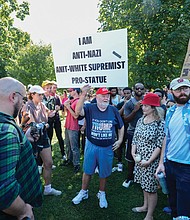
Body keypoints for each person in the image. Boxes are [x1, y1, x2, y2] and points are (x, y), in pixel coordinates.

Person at [72, 86, 124, 208]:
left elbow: (121, 126)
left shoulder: (113, 110)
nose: (106, 98)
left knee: (104, 172)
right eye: (103, 95)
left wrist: (120, 140)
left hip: (107, 147)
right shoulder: (90, 107)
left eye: (108, 95)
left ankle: (102, 193)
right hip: (92, 145)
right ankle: (83, 192)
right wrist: (83, 94)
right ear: (97, 96)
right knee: (88, 170)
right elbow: (78, 112)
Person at [0, 77, 42, 219]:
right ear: (13, 96)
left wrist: (24, 139)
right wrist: (23, 211)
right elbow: (4, 192)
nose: (24, 104)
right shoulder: (7, 131)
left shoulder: (7, 127)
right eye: (23, 99)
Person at [155, 77, 190, 219]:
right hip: (170, 163)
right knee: (173, 200)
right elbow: (166, 138)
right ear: (171, 92)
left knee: (185, 206)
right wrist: (162, 162)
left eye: (185, 88)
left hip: (186, 166)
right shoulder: (170, 112)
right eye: (178, 89)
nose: (183, 92)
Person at [22, 85, 62, 196]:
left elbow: (48, 114)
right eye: (39, 94)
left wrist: (51, 114)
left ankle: (48, 188)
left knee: (48, 163)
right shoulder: (27, 107)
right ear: (32, 95)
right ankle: (31, 190)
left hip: (43, 136)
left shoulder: (42, 105)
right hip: (32, 138)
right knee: (31, 166)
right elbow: (25, 122)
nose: (41, 96)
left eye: (42, 94)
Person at [131, 93, 165, 220]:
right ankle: (145, 206)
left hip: (151, 161)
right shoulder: (141, 120)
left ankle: (149, 215)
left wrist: (150, 161)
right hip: (139, 158)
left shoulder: (160, 124)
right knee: (144, 185)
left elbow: (159, 145)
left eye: (146, 106)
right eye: (143, 105)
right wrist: (133, 153)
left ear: (153, 108)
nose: (143, 108)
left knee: (151, 189)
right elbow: (135, 138)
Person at [122, 83, 144, 188]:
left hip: (145, 133)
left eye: (141, 88)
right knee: (131, 156)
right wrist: (135, 110)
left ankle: (142, 178)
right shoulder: (129, 103)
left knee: (144, 156)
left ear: (144, 90)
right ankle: (129, 177)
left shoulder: (147, 101)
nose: (139, 89)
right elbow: (126, 119)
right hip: (132, 132)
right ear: (134, 90)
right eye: (137, 88)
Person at [64, 88, 81, 173]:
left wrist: (68, 107)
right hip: (67, 125)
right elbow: (65, 113)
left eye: (70, 91)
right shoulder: (71, 100)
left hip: (74, 126)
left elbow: (76, 116)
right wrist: (66, 106)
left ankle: (76, 164)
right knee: (67, 144)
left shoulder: (78, 101)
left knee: (74, 146)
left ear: (75, 91)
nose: (69, 92)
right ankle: (69, 159)